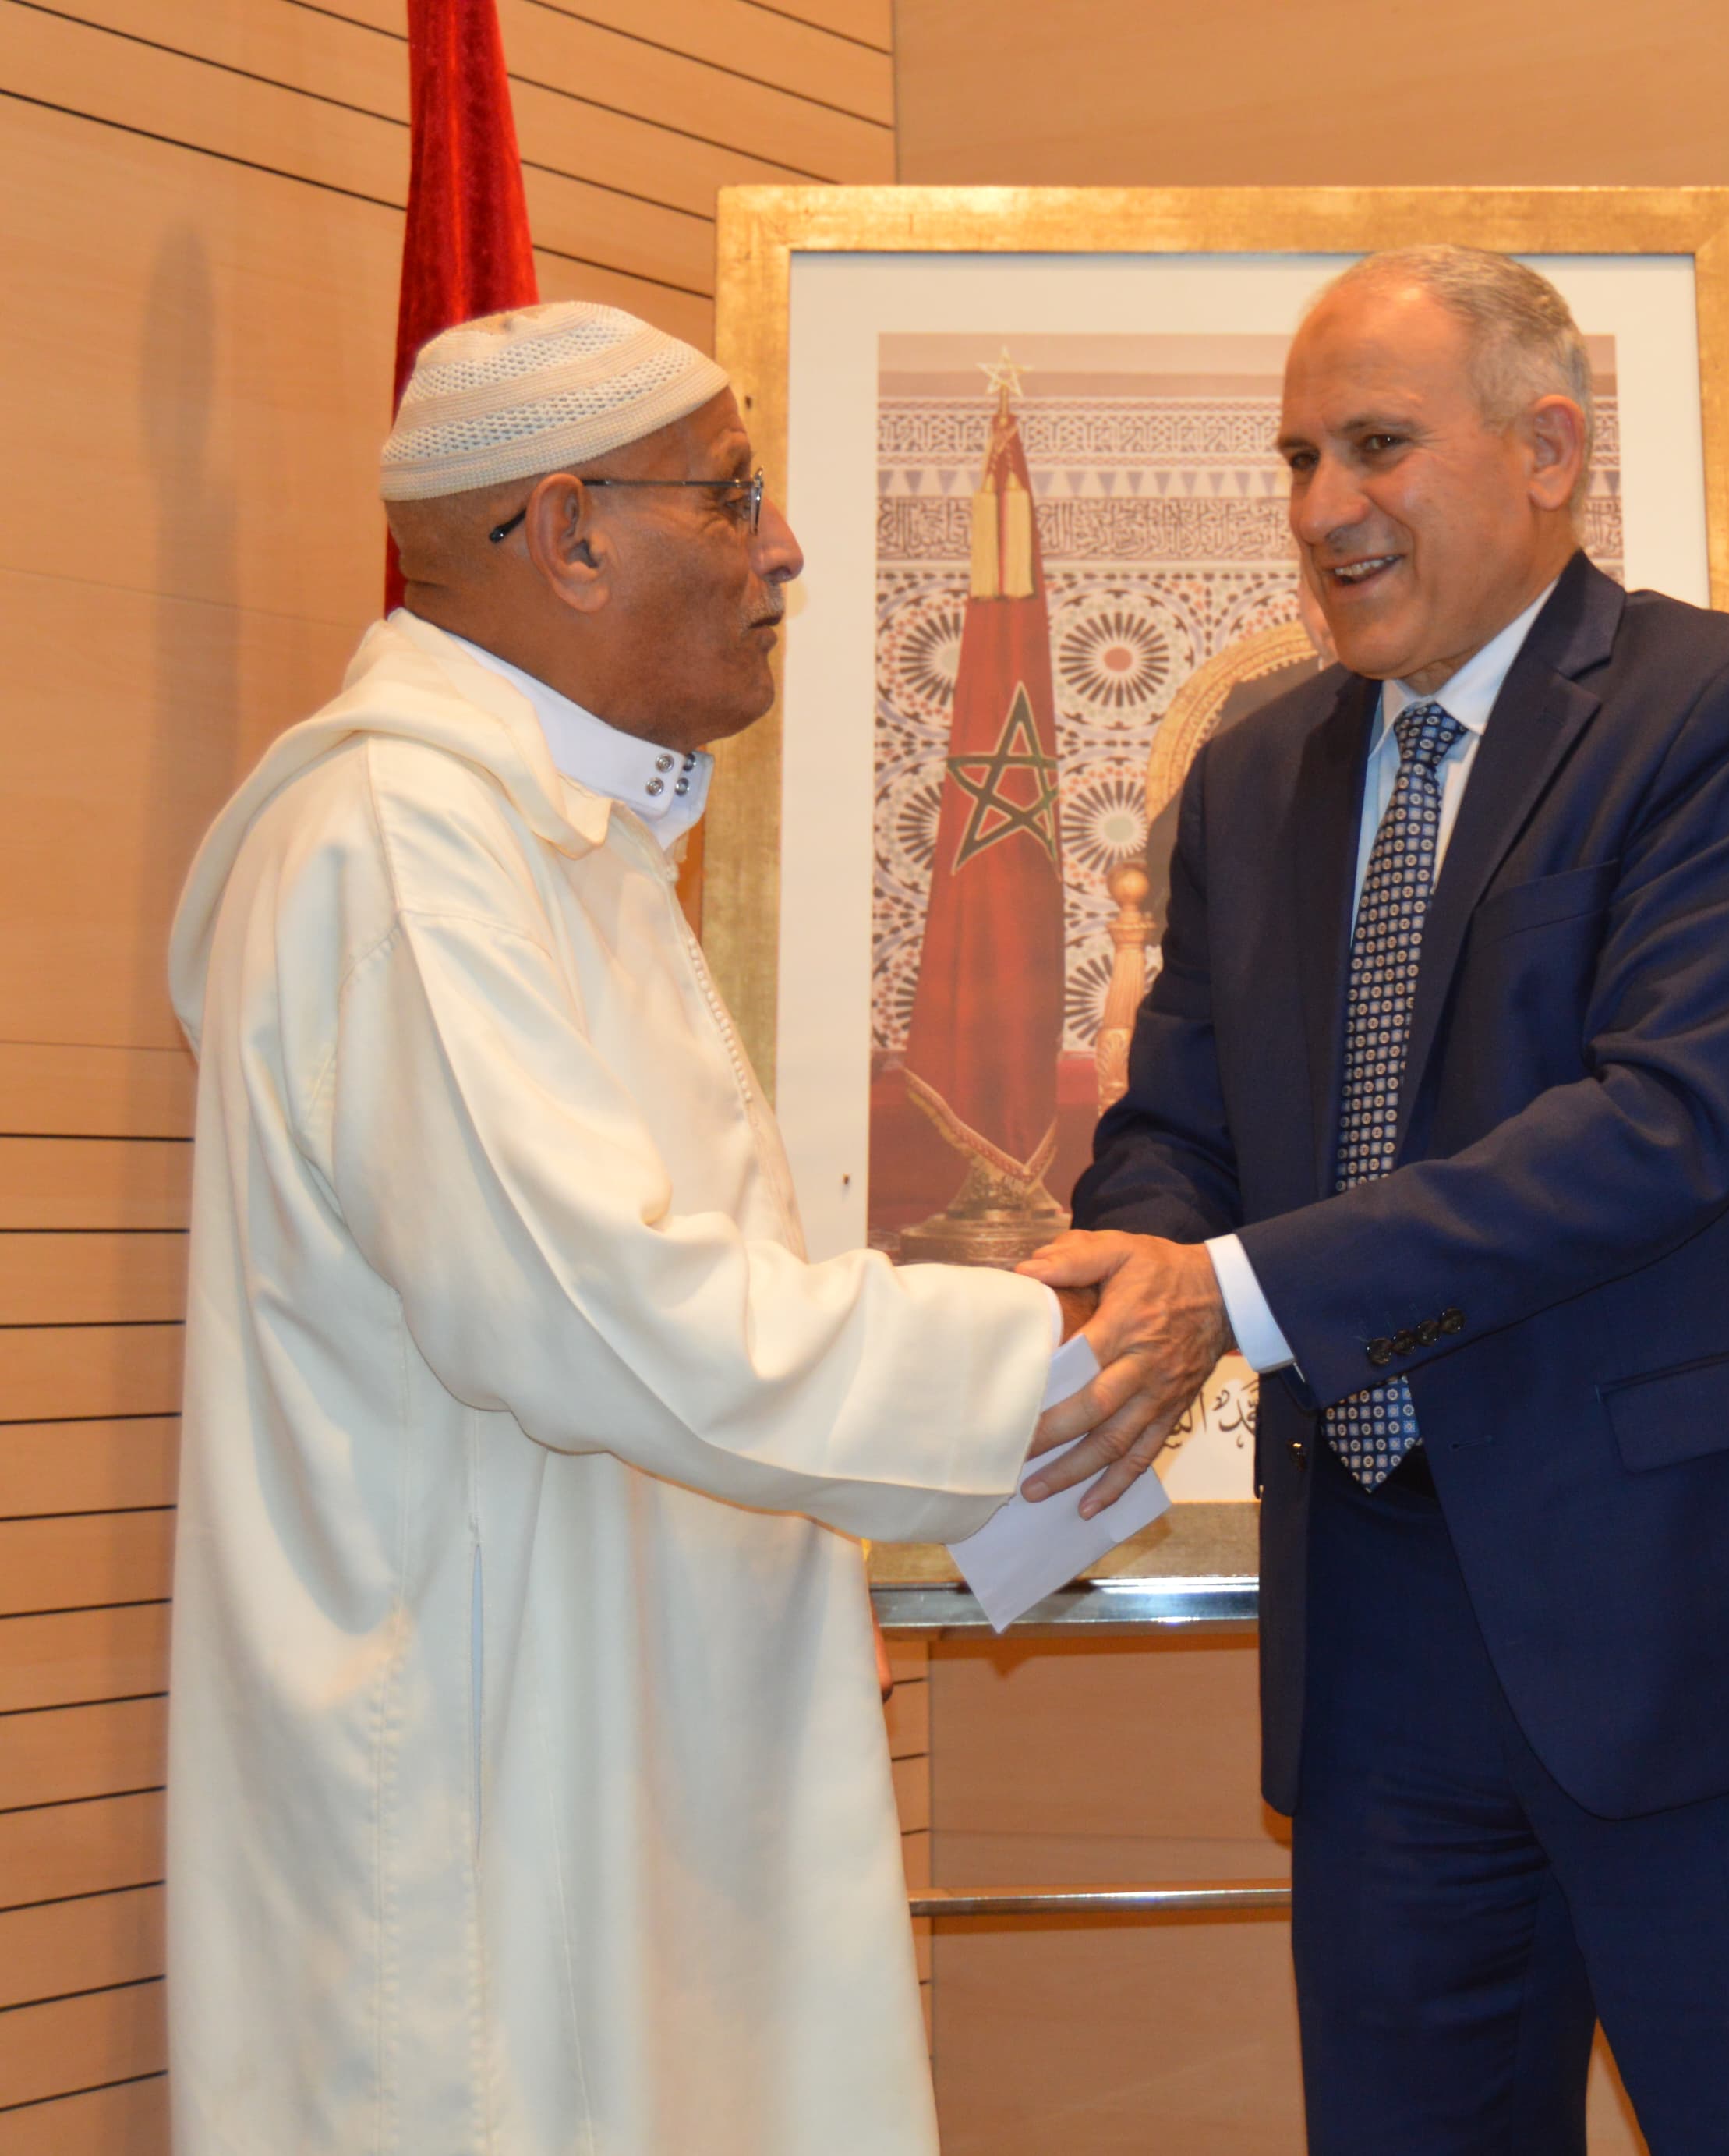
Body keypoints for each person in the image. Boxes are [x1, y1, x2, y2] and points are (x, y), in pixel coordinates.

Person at [1017, 245, 1729, 2154]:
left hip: (1713, 1626)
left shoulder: (1725, 712)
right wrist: (1127, 1255)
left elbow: (1664, 1126)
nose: (1323, 508)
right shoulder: (1254, 774)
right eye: (1298, 458)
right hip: (1381, 1636)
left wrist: (1236, 1293)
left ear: (1549, 449)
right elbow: (1183, 1120)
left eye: (1376, 446)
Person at [163, 303, 1089, 2154]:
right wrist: (1061, 1358)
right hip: (492, 1799)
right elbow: (598, 1318)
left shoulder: (558, 833)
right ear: (570, 535)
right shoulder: (401, 844)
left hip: (636, 1756)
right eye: (733, 494)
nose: (785, 547)